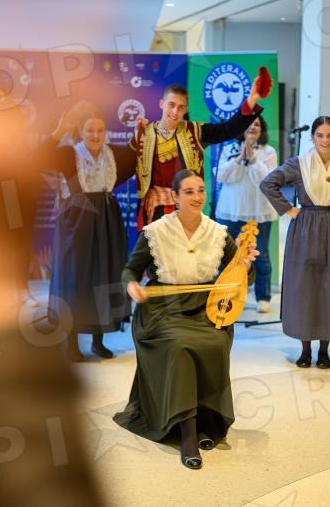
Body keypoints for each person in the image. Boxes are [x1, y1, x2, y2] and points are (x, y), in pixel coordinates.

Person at [114, 169, 258, 470]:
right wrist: (132, 286)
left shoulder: (218, 232)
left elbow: (242, 277)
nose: (197, 197)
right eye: (189, 192)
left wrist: (244, 265)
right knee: (180, 346)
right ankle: (188, 434)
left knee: (215, 342)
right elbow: (130, 269)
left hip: (206, 309)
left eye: (201, 190)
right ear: (175, 197)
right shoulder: (156, 232)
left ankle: (207, 423)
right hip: (162, 311)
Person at [261, 116, 330, 368]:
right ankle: (305, 350)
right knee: (306, 286)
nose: (325, 140)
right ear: (312, 137)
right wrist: (289, 209)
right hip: (306, 228)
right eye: (320, 135)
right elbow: (268, 183)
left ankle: (324, 350)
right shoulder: (298, 164)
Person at [43, 108, 136, 360]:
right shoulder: (69, 155)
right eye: (90, 130)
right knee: (75, 278)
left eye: (100, 130)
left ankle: (98, 340)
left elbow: (139, 154)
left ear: (105, 132)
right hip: (76, 221)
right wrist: (58, 132)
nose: (95, 135)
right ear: (81, 132)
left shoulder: (114, 154)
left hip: (107, 221)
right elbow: (38, 156)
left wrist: (141, 132)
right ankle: (71, 342)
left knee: (104, 275)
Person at [129, 76, 269, 230]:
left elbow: (228, 129)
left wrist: (251, 100)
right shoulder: (145, 134)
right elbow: (125, 164)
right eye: (171, 105)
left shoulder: (196, 131)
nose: (175, 111)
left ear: (185, 110)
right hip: (154, 214)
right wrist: (136, 138)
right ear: (162, 104)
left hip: (186, 212)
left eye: (181, 107)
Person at [215, 115, 278, 313]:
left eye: (257, 124)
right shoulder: (229, 149)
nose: (253, 127)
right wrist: (240, 158)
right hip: (230, 210)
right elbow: (221, 176)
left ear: (262, 129)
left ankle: (263, 297)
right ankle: (224, 295)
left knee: (261, 255)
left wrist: (253, 158)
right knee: (227, 255)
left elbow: (267, 180)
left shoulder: (269, 151)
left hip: (259, 212)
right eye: (249, 124)